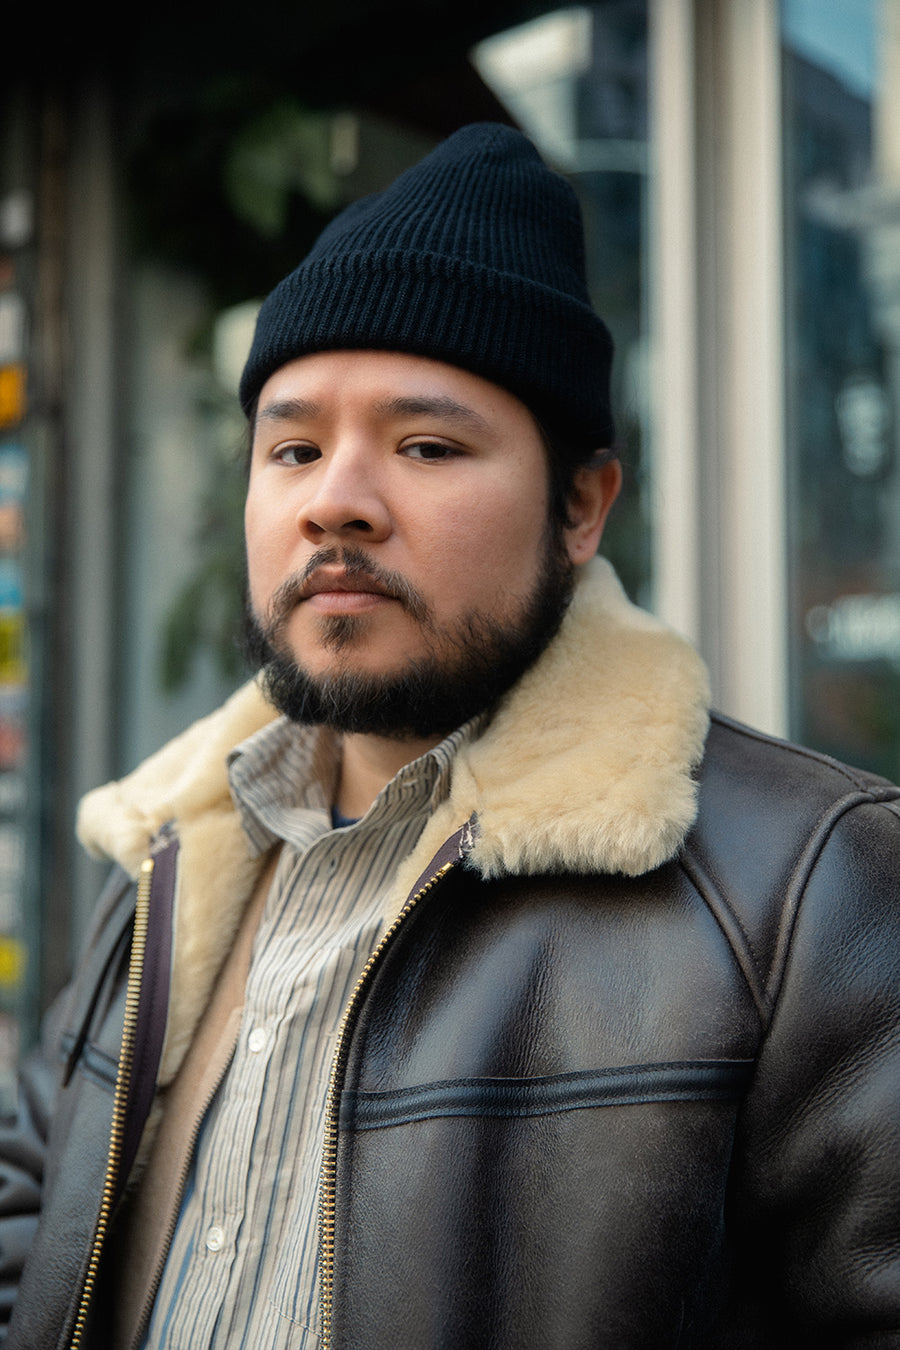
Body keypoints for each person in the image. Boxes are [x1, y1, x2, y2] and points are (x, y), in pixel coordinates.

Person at [2, 122, 900, 1350]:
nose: (336, 502)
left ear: (581, 507)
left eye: (426, 446)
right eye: (293, 448)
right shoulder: (172, 852)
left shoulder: (801, 890)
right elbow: (30, 1203)